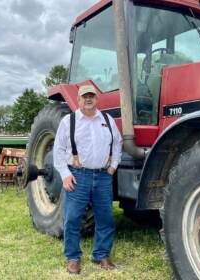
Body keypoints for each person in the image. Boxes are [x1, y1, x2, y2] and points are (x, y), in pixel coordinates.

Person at [53, 84, 123, 274]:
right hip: (78, 176)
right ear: (79, 99)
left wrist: (114, 165)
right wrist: (65, 174)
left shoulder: (107, 120)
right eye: (85, 96)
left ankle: (101, 255)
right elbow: (58, 150)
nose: (88, 99)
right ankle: (73, 257)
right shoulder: (69, 121)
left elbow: (117, 143)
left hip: (102, 177)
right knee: (73, 218)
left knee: (106, 218)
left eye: (91, 96)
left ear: (96, 99)